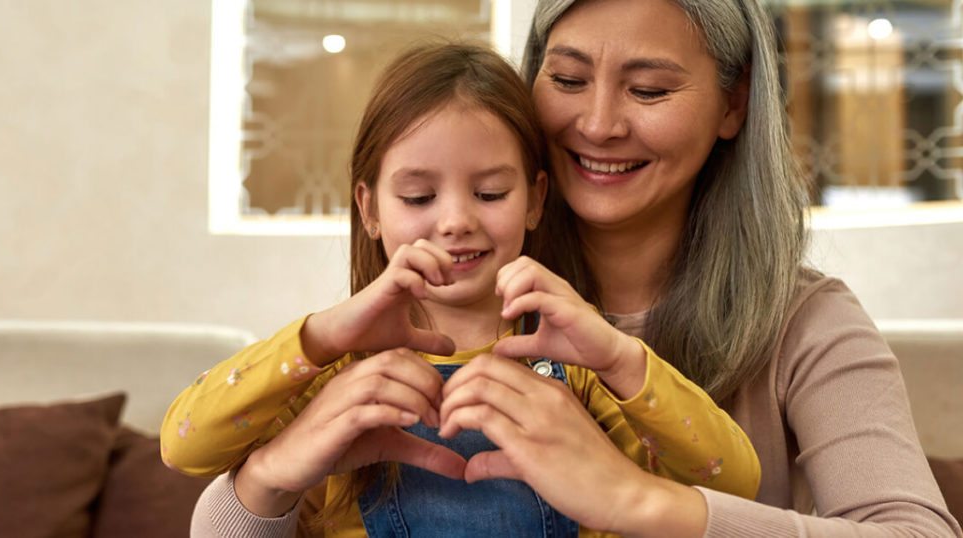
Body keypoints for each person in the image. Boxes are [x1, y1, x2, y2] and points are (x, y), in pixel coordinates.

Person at [185, 0, 963, 536]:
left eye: (649, 88)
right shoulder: (446, 303)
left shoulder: (807, 325)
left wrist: (635, 499)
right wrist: (271, 477)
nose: (597, 123)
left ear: (734, 104)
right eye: (564, 80)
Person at [164, 41, 763, 537]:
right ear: (369, 210)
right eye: (419, 197)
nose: (455, 221)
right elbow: (184, 446)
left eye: (490, 193)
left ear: (535, 200)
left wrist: (616, 353)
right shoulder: (336, 372)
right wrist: (319, 338)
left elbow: (734, 484)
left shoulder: (573, 365)